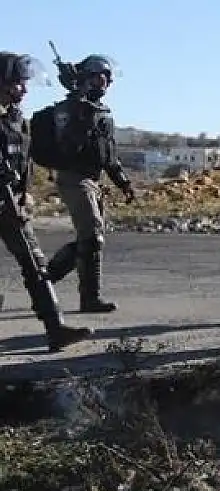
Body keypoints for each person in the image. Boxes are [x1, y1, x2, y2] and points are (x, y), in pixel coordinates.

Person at [0, 52, 92, 351]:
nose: (24, 89)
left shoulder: (16, 120)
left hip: (11, 205)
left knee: (36, 264)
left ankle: (56, 329)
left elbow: (24, 162)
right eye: (19, 83)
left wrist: (23, 195)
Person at [42, 55, 135, 313]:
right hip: (73, 178)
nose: (104, 83)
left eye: (106, 78)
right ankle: (89, 298)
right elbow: (68, 146)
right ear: (85, 78)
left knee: (91, 239)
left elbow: (108, 154)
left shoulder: (102, 112)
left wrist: (123, 182)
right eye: (98, 78)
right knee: (92, 236)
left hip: (94, 179)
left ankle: (43, 282)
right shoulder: (69, 109)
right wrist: (81, 110)